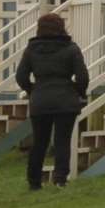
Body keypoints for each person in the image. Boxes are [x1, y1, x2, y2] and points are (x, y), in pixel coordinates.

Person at [15, 13, 89, 190]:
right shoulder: (71, 48)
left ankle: (34, 181)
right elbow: (82, 76)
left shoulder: (31, 49)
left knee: (39, 142)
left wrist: (32, 90)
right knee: (62, 141)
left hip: (40, 99)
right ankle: (60, 179)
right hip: (65, 99)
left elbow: (21, 76)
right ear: (61, 27)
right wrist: (79, 92)